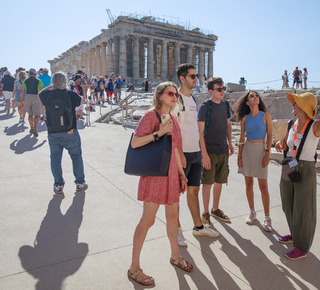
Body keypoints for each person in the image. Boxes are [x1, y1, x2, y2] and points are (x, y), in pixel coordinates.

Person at [128, 81, 193, 286]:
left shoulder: (173, 118)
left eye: (176, 94)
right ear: (160, 96)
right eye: (170, 93)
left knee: (173, 218)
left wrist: (182, 175)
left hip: (172, 174)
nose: (174, 96)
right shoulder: (150, 116)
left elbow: (175, 150)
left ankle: (175, 256)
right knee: (148, 220)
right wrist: (159, 132)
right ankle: (134, 267)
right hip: (155, 175)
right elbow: (135, 142)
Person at [175, 64, 219, 248]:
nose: (196, 79)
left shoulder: (192, 98)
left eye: (196, 76)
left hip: (194, 153)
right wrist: (179, 156)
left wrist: (202, 153)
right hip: (182, 154)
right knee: (175, 195)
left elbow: (195, 129)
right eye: (192, 76)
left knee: (194, 190)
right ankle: (176, 231)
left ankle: (198, 227)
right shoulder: (176, 99)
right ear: (182, 78)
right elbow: (173, 131)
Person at [275, 92, 320, 260]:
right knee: (288, 204)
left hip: (305, 168)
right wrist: (281, 144)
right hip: (289, 166)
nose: (292, 104)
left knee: (304, 208)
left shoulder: (315, 125)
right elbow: (285, 142)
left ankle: (302, 247)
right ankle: (295, 234)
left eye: (296, 102)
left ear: (304, 107)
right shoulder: (290, 124)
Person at [39, 72, 88, 195]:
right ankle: (80, 183)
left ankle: (58, 185)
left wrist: (52, 86)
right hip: (70, 131)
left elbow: (40, 93)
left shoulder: (47, 95)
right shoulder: (70, 94)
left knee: (55, 159)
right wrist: (69, 88)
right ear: (65, 82)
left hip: (53, 133)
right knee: (76, 157)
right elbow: (82, 100)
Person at [234, 91, 273, 231]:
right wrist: (239, 156)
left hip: (261, 151)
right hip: (247, 151)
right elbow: (241, 139)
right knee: (248, 184)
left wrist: (267, 154)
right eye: (252, 96)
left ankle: (267, 217)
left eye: (256, 95)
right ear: (247, 102)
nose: (255, 97)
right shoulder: (245, 118)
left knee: (263, 187)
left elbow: (270, 137)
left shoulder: (266, 116)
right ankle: (252, 212)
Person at [198, 77, 234, 226]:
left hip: (223, 150)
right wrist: (204, 154)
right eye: (219, 89)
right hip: (210, 151)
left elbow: (228, 125)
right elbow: (199, 133)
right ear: (211, 91)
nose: (222, 92)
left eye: (223, 88)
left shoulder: (225, 105)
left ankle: (215, 209)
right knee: (208, 183)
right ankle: (205, 212)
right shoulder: (205, 107)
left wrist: (230, 143)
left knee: (219, 181)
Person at [20, 68, 44, 137]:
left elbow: (22, 91)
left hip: (28, 96)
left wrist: (22, 101)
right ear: (35, 74)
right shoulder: (38, 80)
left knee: (30, 114)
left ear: (29, 74)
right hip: (36, 96)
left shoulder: (25, 81)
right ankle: (35, 128)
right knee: (37, 115)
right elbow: (42, 89)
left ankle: (31, 128)